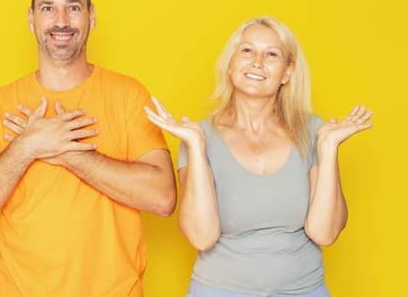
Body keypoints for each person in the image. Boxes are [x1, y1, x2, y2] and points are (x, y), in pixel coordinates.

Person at [0, 0, 176, 297]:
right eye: (48, 8)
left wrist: (67, 153)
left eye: (74, 7)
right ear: (31, 19)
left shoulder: (128, 96)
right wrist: (26, 147)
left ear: (92, 17)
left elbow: (163, 197)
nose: (61, 20)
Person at [145, 16, 373, 297]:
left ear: (287, 73)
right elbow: (201, 237)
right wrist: (195, 146)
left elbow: (325, 233)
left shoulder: (315, 131)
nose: (257, 62)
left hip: (304, 291)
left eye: (272, 54)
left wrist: (328, 149)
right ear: (230, 65)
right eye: (247, 50)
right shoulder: (198, 137)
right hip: (219, 290)